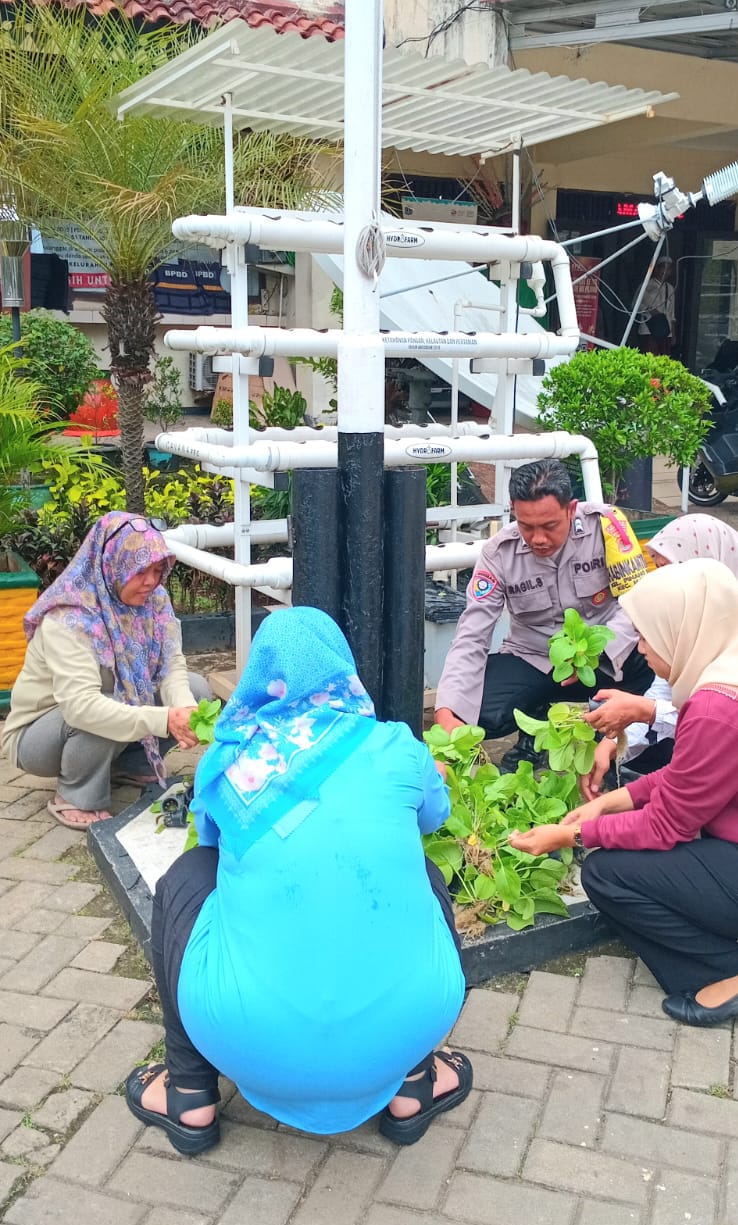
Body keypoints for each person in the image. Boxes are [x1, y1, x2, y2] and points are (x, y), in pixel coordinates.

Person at [125, 607, 470, 1155]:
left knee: (188, 876)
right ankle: (415, 1084)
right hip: (404, 1031)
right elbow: (432, 818)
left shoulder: (230, 759)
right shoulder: (398, 746)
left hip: (246, 1039)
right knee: (424, 872)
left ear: (260, 676)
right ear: (342, 669)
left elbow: (212, 845)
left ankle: (189, 1093)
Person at [509, 560, 738, 1025]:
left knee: (609, 875)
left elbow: (668, 824)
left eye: (650, 635)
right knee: (651, 855)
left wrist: (573, 836)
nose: (642, 649)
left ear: (685, 629)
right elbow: (689, 778)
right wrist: (614, 801)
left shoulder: (719, 706)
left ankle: (732, 975)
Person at [434, 458, 652, 769]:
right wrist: (447, 711)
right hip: (534, 657)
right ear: (513, 510)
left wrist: (594, 654)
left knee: (651, 661)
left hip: (603, 657)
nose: (538, 538)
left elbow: (637, 600)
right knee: (477, 710)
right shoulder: (499, 553)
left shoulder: (607, 526)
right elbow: (472, 634)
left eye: (550, 526)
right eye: (526, 526)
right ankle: (535, 731)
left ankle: (605, 737)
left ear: (571, 508)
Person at [582, 515, 738, 793]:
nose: (663, 582)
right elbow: (663, 693)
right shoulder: (698, 619)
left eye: (668, 569)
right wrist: (614, 743)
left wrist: (642, 711)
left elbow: (732, 720)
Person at [0, 512, 209, 830]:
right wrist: (164, 719)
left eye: (157, 569)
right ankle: (76, 794)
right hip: (37, 738)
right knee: (103, 709)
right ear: (113, 565)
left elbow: (172, 665)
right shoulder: (70, 617)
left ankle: (129, 764)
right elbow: (80, 708)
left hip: (106, 706)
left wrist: (184, 710)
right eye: (140, 571)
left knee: (196, 690)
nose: (151, 581)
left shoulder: (154, 601)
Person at [636, 256, 677, 356]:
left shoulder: (670, 288)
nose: (665, 271)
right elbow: (635, 306)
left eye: (668, 269)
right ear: (657, 269)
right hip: (648, 330)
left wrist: (673, 334)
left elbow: (672, 315)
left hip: (665, 331)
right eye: (663, 267)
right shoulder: (646, 285)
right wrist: (649, 310)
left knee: (663, 361)